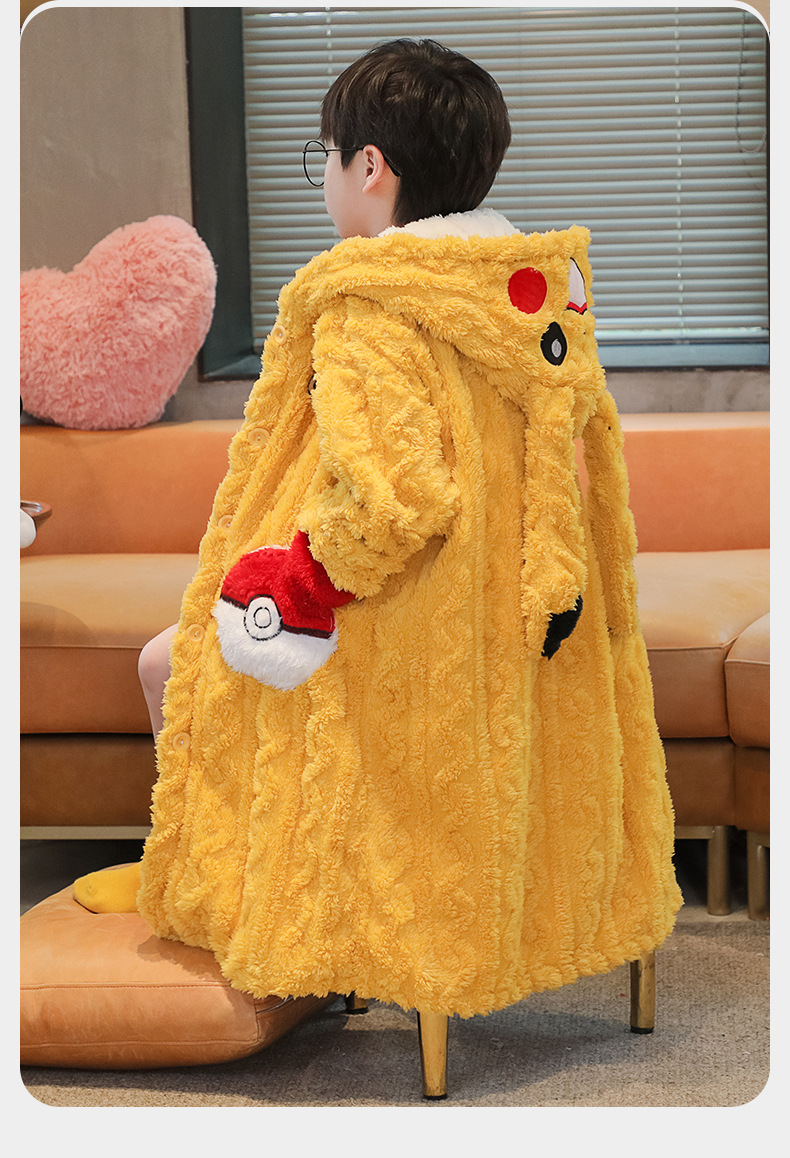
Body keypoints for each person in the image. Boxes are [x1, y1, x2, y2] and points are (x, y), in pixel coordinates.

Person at [74, 39, 681, 1020]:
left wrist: (298, 578)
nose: (321, 176)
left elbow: (392, 502)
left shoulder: (372, 304)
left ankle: (232, 896)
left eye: (323, 154)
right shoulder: (534, 297)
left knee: (171, 662)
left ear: (370, 166)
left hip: (410, 630)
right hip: (525, 624)